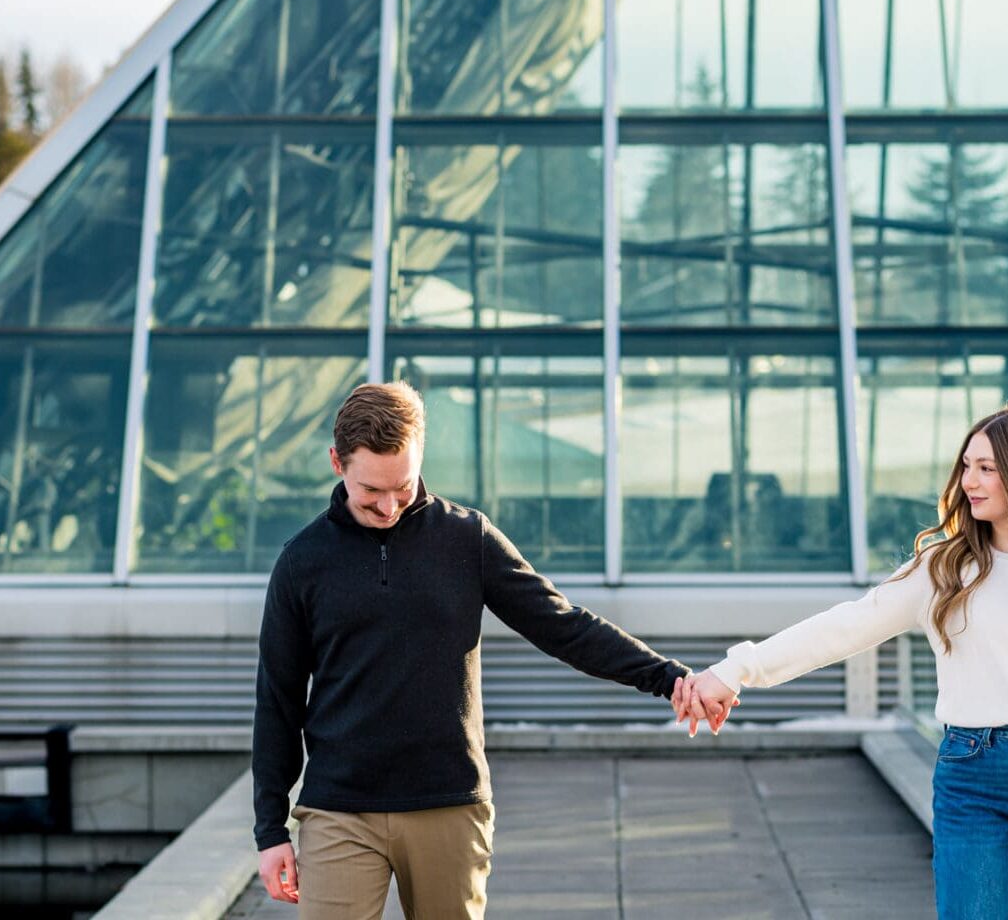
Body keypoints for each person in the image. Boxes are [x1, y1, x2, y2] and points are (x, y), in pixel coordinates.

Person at [674, 404, 1008, 919]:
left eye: (987, 468)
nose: (970, 481)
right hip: (975, 775)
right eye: (966, 466)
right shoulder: (943, 568)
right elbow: (843, 628)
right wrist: (733, 671)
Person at [253, 381, 690, 919]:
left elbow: (563, 626)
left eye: (403, 487)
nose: (389, 506)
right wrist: (270, 829)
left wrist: (668, 678)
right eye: (372, 492)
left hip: (449, 804)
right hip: (339, 808)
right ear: (336, 463)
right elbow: (278, 698)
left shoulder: (467, 539)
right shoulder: (302, 562)